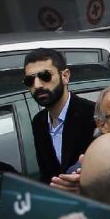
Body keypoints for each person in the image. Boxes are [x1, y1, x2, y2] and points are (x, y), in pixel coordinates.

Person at [25, 48, 96, 185]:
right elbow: (47, 176)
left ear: (65, 76)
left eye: (45, 76)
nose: (37, 85)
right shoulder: (39, 122)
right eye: (30, 80)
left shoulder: (93, 114)